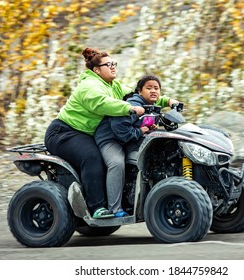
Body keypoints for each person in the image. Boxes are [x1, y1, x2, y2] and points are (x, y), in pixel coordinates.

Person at [44, 47, 150, 219]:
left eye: (114, 63)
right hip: (64, 132)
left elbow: (137, 95)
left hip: (84, 133)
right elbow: (103, 103)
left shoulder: (113, 85)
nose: (113, 67)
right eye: (108, 65)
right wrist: (130, 109)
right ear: (97, 70)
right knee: (92, 157)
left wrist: (162, 100)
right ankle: (97, 208)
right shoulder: (89, 86)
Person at [94, 75, 179, 217]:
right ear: (140, 91)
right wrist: (140, 131)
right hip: (111, 139)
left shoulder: (151, 105)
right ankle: (115, 209)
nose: (153, 91)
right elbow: (119, 128)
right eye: (149, 88)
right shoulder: (135, 104)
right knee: (116, 163)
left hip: (127, 139)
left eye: (156, 88)